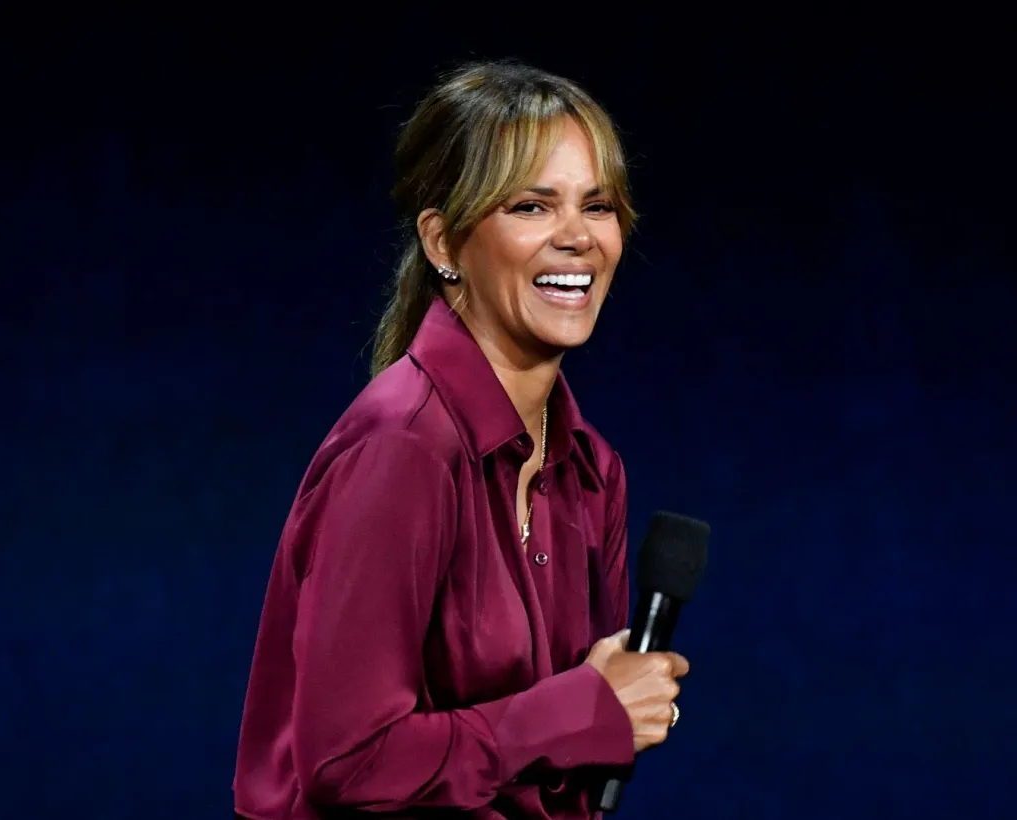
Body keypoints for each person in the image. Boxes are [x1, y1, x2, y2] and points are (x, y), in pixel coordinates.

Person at [232, 62, 690, 820]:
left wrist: (602, 717)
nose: (576, 237)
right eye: (532, 205)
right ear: (445, 240)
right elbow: (346, 764)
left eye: (598, 206)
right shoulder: (402, 449)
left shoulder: (592, 471)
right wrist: (580, 711)